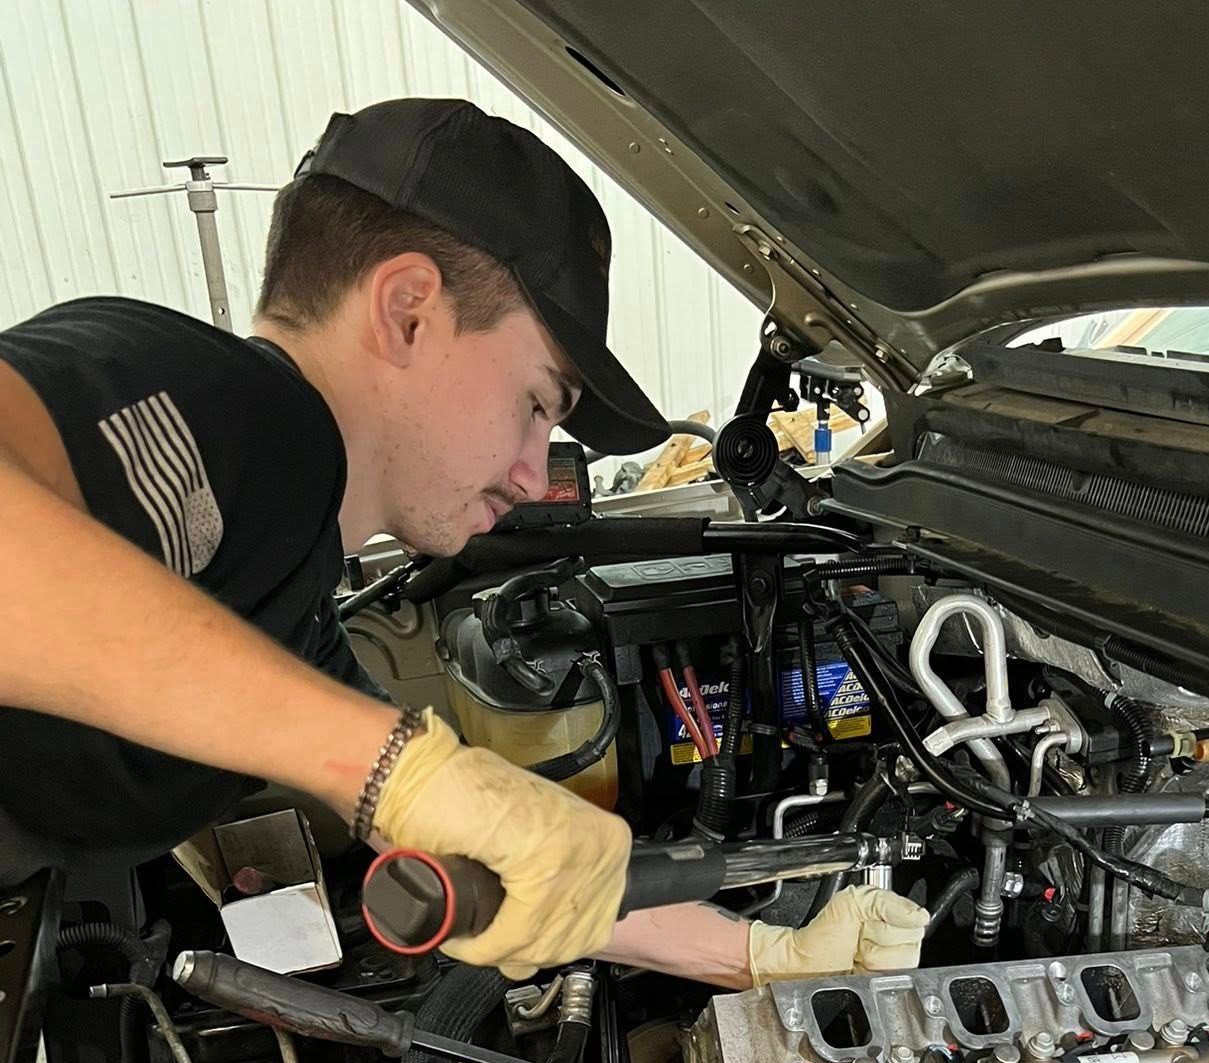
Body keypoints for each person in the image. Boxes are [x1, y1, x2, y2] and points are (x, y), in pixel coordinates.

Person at [0, 97, 926, 988]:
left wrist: (760, 957)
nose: (534, 474)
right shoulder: (217, 402)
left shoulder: (288, 593)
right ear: (407, 309)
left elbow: (513, 865)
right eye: (536, 405)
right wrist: (387, 768)